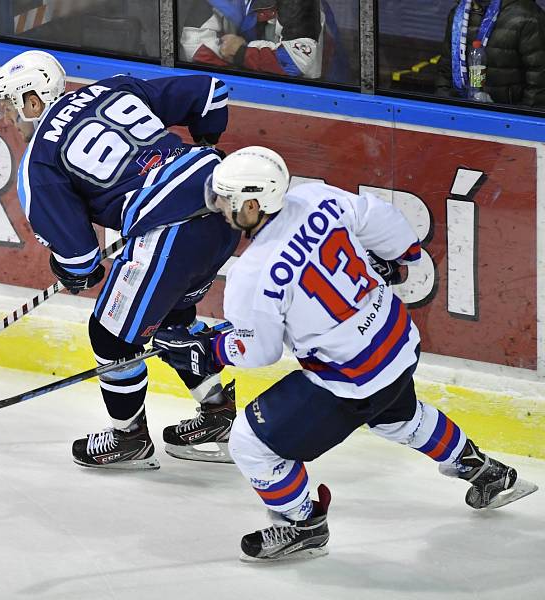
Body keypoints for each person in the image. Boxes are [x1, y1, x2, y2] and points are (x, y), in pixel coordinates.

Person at [154, 146, 538, 561]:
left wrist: (210, 350)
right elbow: (384, 220)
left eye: (227, 200)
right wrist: (402, 260)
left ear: (253, 203)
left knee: (251, 443)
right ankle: (486, 472)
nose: (220, 207)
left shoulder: (252, 274)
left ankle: (303, 524)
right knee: (399, 416)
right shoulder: (318, 198)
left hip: (351, 379)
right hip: (398, 343)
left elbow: (258, 351)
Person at [0, 51, 241, 470]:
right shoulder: (111, 86)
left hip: (170, 229)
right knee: (173, 319)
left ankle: (129, 438)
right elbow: (212, 93)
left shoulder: (38, 163)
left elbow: (83, 262)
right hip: (223, 203)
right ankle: (217, 413)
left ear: (33, 101)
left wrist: (67, 272)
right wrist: (200, 153)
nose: (8, 120)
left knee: (110, 335)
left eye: (10, 107)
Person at [179, 0, 347, 81]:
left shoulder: (302, 3)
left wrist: (240, 53)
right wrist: (245, 62)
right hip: (236, 86)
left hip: (315, 92)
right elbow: (194, 47)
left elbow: (295, 63)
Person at [435, 0, 545, 107]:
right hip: (461, 112)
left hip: (506, 117)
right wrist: (443, 109)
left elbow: (539, 82)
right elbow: (446, 71)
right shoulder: (459, 15)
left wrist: (519, 119)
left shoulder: (528, 16)